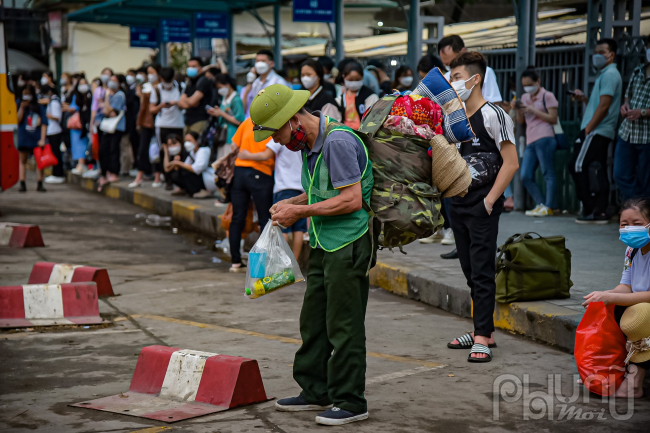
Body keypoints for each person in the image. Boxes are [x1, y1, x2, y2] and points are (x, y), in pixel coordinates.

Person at [250, 84, 374, 426]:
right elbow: (324, 189)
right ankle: (315, 389)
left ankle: (351, 401)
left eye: (276, 132)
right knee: (314, 320)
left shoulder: (338, 141)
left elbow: (350, 199)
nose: (276, 141)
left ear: (293, 121)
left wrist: (299, 214)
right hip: (323, 242)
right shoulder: (311, 144)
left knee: (343, 324)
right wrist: (294, 202)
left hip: (348, 244)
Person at [445, 52, 518, 362]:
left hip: (482, 206)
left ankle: (482, 337)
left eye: (457, 76)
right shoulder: (452, 117)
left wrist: (489, 202)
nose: (452, 82)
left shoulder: (494, 115)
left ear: (475, 79)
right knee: (469, 271)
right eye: (450, 77)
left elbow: (511, 163)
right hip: (456, 204)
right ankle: (482, 330)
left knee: (483, 270)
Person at [581, 197, 650, 398]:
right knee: (607, 309)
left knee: (638, 316)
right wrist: (604, 295)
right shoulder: (632, 250)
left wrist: (610, 298)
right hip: (640, 303)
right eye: (624, 224)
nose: (629, 228)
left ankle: (635, 383)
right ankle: (604, 370)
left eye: (637, 224)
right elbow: (626, 286)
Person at [569, 38, 622, 224]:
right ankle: (600, 210)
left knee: (577, 165)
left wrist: (588, 130)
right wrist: (584, 98)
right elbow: (600, 104)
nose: (597, 56)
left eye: (601, 52)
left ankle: (591, 208)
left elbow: (604, 106)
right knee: (596, 168)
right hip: (599, 129)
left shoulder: (609, 75)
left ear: (611, 55)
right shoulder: (606, 74)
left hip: (596, 130)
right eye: (595, 52)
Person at [237, 136, 307, 260]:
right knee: (299, 229)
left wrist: (247, 155)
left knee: (282, 228)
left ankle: (285, 264)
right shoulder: (302, 138)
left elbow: (265, 155)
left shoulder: (284, 137)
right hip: (301, 189)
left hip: (284, 187)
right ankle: (295, 263)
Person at [226, 117, 275, 273]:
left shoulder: (248, 121)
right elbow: (267, 154)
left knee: (237, 217)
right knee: (263, 220)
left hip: (240, 173)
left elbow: (234, 145)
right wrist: (251, 156)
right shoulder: (272, 121)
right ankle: (260, 267)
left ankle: (235, 262)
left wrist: (245, 155)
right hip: (261, 173)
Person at [516, 67, 559, 217]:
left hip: (545, 137)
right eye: (524, 85)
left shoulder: (547, 96)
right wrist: (518, 109)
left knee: (548, 172)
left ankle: (549, 206)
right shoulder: (524, 97)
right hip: (530, 139)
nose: (527, 87)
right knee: (525, 175)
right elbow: (520, 121)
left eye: (529, 83)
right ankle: (540, 204)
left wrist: (533, 109)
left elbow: (553, 118)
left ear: (538, 82)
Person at [616, 38, 650, 202]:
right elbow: (628, 96)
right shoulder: (638, 71)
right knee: (620, 174)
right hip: (627, 132)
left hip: (647, 136)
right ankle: (640, 209)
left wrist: (642, 112)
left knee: (646, 180)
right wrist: (625, 106)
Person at [149, 66, 184, 190]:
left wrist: (177, 103)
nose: (168, 84)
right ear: (161, 78)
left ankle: (179, 180)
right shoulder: (156, 90)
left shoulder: (181, 87)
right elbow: (151, 109)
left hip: (178, 124)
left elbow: (186, 104)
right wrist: (161, 106)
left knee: (179, 152)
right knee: (164, 151)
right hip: (162, 125)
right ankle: (168, 179)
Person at [438, 35, 502, 103]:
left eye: (458, 77)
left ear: (463, 51)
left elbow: (494, 101)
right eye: (446, 64)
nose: (451, 67)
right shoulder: (446, 77)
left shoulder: (485, 72)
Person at [131, 64, 161, 187]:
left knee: (157, 150)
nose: (149, 75)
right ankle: (140, 176)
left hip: (159, 121)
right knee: (142, 149)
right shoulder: (145, 87)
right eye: (148, 72)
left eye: (151, 72)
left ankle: (157, 176)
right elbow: (143, 108)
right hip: (146, 122)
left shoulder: (161, 87)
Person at [164, 132, 216, 197]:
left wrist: (177, 163)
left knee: (185, 173)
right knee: (178, 173)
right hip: (202, 178)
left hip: (209, 179)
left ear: (197, 141)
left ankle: (203, 190)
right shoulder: (192, 152)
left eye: (189, 140)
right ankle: (187, 190)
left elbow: (197, 169)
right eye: (186, 141)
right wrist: (175, 162)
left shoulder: (203, 150)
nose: (187, 143)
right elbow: (169, 169)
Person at [16, 84, 48, 192]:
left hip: (36, 138)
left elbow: (44, 123)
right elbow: (17, 120)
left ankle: (40, 183)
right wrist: (21, 107)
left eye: (28, 94)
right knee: (22, 160)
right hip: (24, 137)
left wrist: (43, 139)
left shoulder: (38, 106)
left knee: (39, 161)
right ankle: (22, 183)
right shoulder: (18, 104)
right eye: (24, 94)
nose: (26, 96)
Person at [98, 74, 127, 191]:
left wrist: (106, 100)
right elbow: (106, 111)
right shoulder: (110, 95)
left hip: (117, 127)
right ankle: (104, 173)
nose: (111, 82)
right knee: (103, 151)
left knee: (113, 149)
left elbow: (110, 111)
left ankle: (114, 172)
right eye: (111, 80)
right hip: (107, 128)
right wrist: (106, 97)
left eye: (114, 81)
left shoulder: (120, 95)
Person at [208, 73, 245, 160]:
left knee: (228, 163)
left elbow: (239, 120)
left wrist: (222, 113)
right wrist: (216, 112)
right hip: (222, 137)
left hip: (231, 137)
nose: (219, 90)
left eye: (220, 87)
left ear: (227, 85)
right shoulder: (224, 99)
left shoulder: (236, 99)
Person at [336, 60, 378, 129]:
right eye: (350, 79)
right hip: (345, 132)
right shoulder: (341, 96)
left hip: (362, 133)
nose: (354, 82)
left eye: (357, 79)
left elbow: (373, 119)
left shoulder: (370, 96)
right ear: (344, 77)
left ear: (362, 77)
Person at [178, 57, 213, 136]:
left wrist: (187, 100)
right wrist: (189, 102)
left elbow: (191, 101)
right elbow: (181, 103)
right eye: (189, 66)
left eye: (193, 66)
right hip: (187, 121)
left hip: (200, 121)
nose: (190, 69)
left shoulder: (203, 81)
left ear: (200, 68)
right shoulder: (190, 82)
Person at [41, 85, 65, 184]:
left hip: (55, 131)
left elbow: (57, 117)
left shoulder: (54, 102)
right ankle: (55, 173)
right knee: (54, 153)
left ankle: (58, 174)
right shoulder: (52, 102)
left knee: (56, 153)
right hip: (51, 131)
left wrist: (48, 116)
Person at [69, 77, 92, 174]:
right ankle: (81, 164)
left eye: (84, 83)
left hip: (86, 124)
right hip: (79, 125)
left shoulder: (90, 96)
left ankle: (87, 164)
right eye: (80, 84)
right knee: (78, 144)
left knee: (86, 144)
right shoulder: (76, 97)